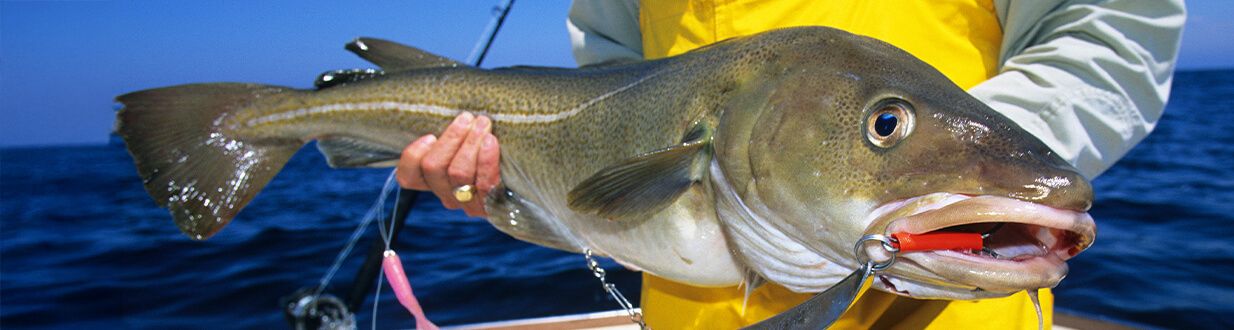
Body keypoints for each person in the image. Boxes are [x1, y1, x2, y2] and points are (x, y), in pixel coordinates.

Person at [397, 0, 1186, 328]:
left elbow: (1111, 29)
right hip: (689, 299)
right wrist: (514, 181)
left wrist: (954, 193)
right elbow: (609, 68)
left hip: (947, 302)